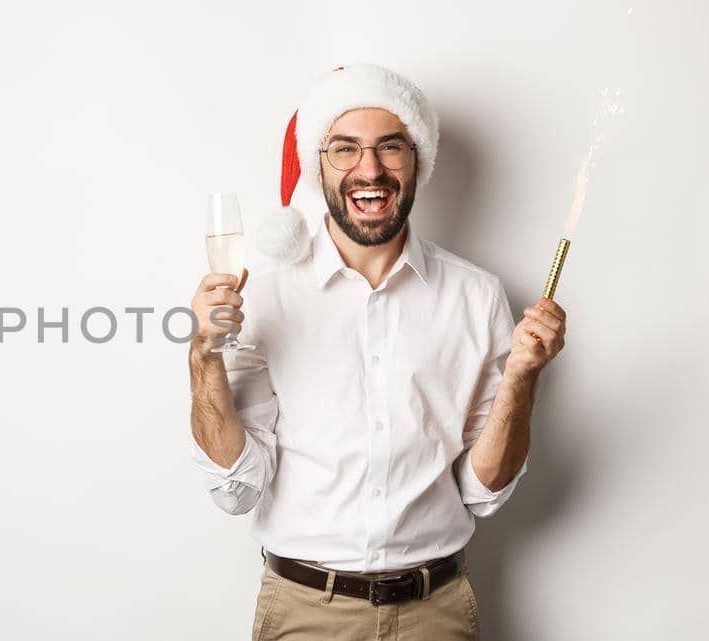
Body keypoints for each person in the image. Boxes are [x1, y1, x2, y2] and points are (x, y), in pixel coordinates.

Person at [186, 64, 568, 641]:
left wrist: (522, 376)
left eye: (391, 148)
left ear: (418, 161)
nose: (370, 170)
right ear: (320, 166)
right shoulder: (262, 296)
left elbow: (482, 492)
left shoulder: (477, 295)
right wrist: (204, 356)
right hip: (306, 613)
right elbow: (237, 488)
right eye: (346, 149)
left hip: (436, 613)